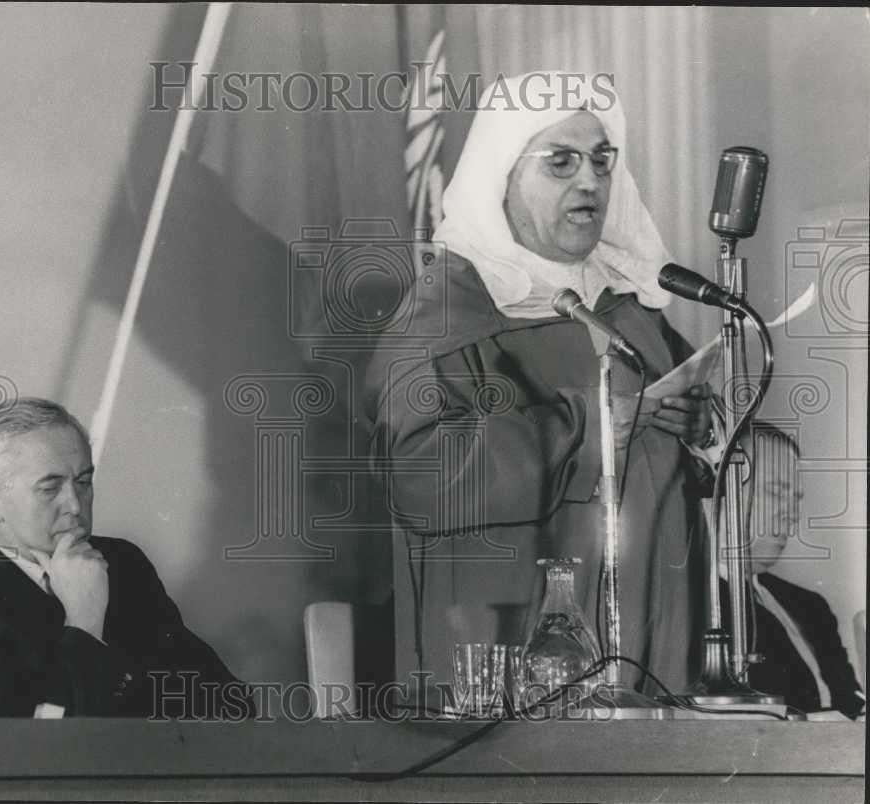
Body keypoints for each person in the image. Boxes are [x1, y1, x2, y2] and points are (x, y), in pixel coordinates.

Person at [365, 72, 712, 694]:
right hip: (505, 653)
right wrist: (581, 426)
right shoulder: (447, 310)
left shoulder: (630, 309)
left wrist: (696, 427)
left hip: (652, 652)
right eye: (561, 162)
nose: (589, 182)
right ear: (505, 173)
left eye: (602, 162)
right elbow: (418, 482)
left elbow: (687, 448)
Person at [0, 397, 252, 719]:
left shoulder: (122, 561)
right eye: (49, 488)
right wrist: (85, 620)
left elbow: (227, 700)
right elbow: (35, 755)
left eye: (83, 482)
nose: (75, 505)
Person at [718, 428, 864, 718]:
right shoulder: (694, 609)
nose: (792, 513)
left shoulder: (811, 606)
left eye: (795, 498)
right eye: (776, 492)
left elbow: (852, 700)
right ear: (725, 491)